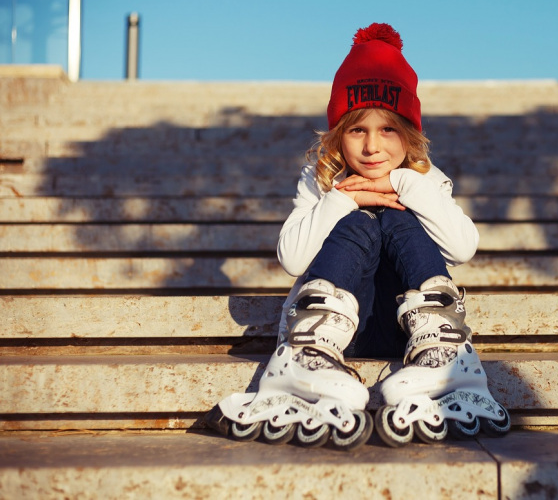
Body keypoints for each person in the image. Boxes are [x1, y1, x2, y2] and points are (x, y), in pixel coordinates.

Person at [205, 23, 509, 450]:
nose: (372, 147)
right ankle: (305, 356)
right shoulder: (321, 179)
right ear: (338, 134)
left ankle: (444, 350)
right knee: (361, 221)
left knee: (398, 220)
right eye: (357, 130)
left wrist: (404, 188)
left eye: (388, 130)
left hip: (409, 330)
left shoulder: (425, 179)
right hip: (334, 328)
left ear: (410, 134)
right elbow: (292, 259)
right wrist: (342, 201)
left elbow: (462, 247)